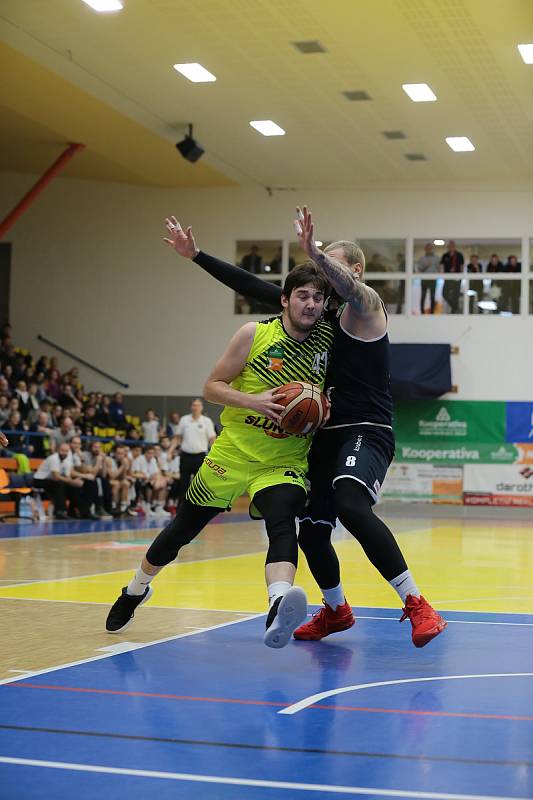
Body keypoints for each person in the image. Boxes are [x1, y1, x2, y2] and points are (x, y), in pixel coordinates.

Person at [163, 212, 447, 648]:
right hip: (325, 433)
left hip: (366, 428)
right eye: (315, 267)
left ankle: (416, 603)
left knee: (352, 506)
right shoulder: (321, 314)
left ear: (354, 269)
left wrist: (314, 251)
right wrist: (197, 255)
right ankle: (336, 610)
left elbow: (349, 288)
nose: (318, 275)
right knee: (311, 530)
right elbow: (255, 288)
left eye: (327, 265)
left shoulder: (366, 307)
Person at [106, 262, 334, 649]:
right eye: (302, 296)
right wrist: (253, 401)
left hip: (284, 460)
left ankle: (278, 603)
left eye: (317, 297)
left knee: (282, 523)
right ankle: (136, 588)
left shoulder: (329, 340)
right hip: (232, 452)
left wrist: (324, 406)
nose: (310, 304)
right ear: (284, 300)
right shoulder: (254, 334)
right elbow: (211, 387)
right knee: (181, 531)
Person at [175, 398, 217, 505]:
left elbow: (212, 439)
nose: (196, 407)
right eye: (194, 405)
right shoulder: (184, 420)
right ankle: (181, 508)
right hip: (185, 456)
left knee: (199, 484)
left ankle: (198, 508)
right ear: (191, 407)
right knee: (183, 484)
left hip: (200, 456)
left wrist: (216, 454)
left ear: (201, 408)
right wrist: (171, 450)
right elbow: (177, 437)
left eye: (198, 405)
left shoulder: (207, 421)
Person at [440, 240, 464, 314]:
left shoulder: (459, 255)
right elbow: (441, 267)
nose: (451, 247)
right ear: (448, 247)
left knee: (455, 296)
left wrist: (460, 276)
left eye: (452, 246)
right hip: (448, 278)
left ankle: (454, 312)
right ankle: (456, 308)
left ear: (455, 247)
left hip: (457, 279)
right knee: (444, 293)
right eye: (450, 246)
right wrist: (442, 274)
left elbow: (462, 267)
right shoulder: (445, 255)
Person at [415, 243, 440, 314]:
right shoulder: (422, 259)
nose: (429, 249)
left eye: (430, 248)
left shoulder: (437, 258)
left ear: (432, 249)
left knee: (432, 296)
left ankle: (432, 312)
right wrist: (426, 266)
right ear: (425, 249)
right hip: (424, 280)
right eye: (427, 248)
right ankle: (422, 312)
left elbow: (439, 269)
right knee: (423, 296)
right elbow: (419, 270)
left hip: (433, 279)